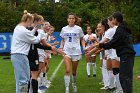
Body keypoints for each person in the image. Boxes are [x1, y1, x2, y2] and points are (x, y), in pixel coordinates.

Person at [96, 11, 136, 93]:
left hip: (126, 55)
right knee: (123, 77)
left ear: (115, 19)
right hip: (126, 55)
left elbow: (113, 42)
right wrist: (103, 46)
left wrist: (101, 45)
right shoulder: (122, 28)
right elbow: (116, 43)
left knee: (125, 78)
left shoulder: (120, 29)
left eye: (113, 19)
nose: (111, 20)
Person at [11, 11, 45, 93]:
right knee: (23, 81)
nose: (32, 23)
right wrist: (41, 32)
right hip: (20, 56)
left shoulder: (18, 27)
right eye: (32, 21)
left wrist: (34, 30)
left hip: (18, 55)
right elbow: (35, 40)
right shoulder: (23, 30)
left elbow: (28, 35)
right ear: (28, 20)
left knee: (21, 80)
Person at [57, 12, 85, 93]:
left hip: (76, 51)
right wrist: (61, 47)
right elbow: (62, 40)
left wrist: (84, 47)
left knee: (74, 71)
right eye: (70, 18)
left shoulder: (79, 28)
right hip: (67, 51)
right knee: (67, 70)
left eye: (73, 18)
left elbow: (82, 39)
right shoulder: (64, 29)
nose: (71, 19)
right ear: (67, 19)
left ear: (75, 19)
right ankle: (67, 88)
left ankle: (74, 84)